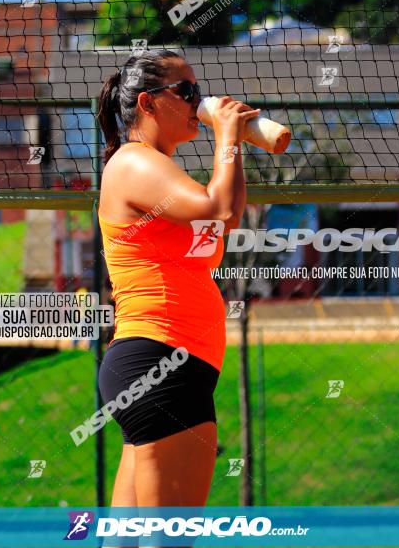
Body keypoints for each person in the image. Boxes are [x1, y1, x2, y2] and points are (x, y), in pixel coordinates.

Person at [96, 48, 289, 507]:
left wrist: (231, 142)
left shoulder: (156, 169)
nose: (196, 100)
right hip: (162, 364)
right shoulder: (132, 162)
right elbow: (218, 208)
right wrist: (226, 135)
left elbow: (222, 223)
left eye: (197, 91)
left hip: (163, 366)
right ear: (147, 103)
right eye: (186, 91)